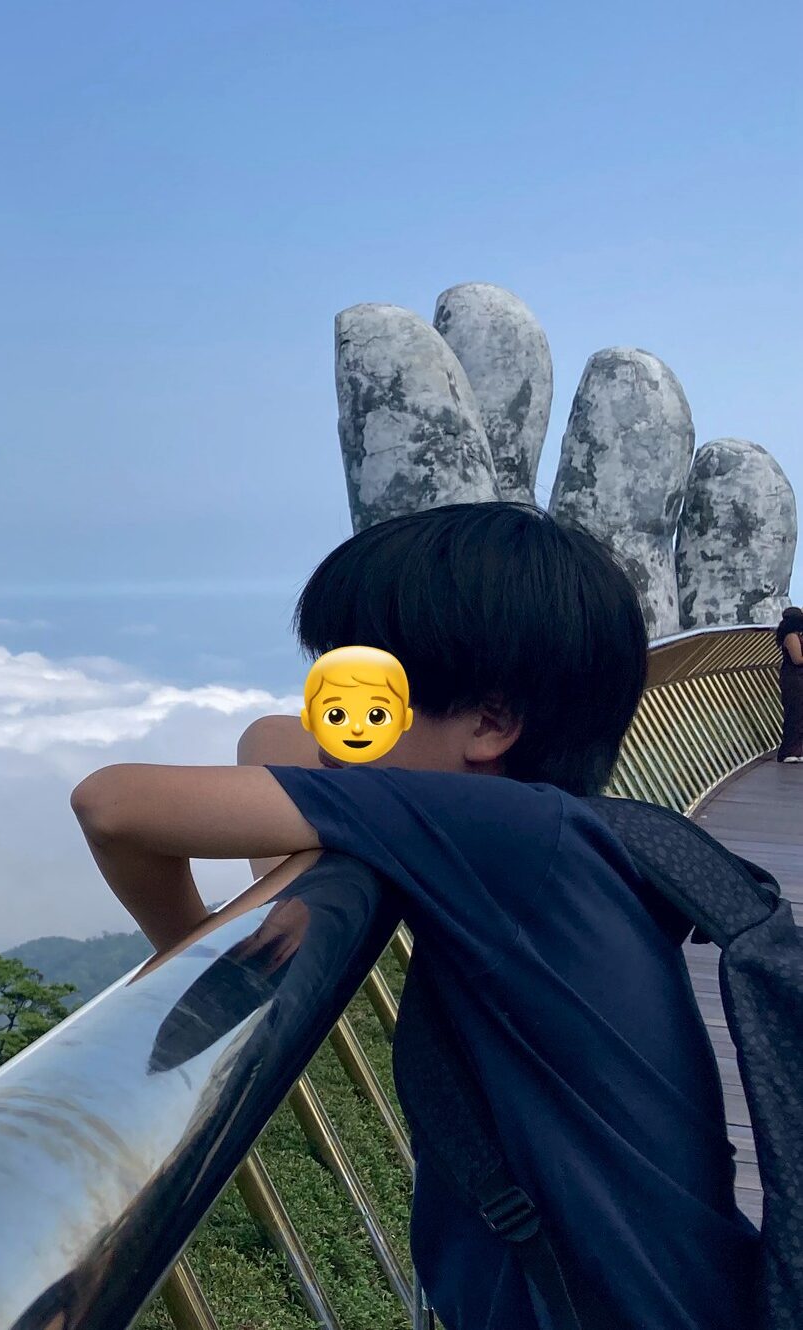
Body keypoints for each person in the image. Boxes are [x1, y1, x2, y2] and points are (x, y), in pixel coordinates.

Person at [69, 502, 763, 1330]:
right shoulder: (555, 832)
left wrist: (212, 971)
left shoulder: (498, 833)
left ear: (491, 722)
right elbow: (269, 735)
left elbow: (112, 805)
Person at [779, 605, 803, 763]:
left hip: (798, 677)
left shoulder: (796, 635)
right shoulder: (791, 637)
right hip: (794, 678)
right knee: (794, 713)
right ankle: (789, 751)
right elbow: (797, 659)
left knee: (799, 714)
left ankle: (797, 750)